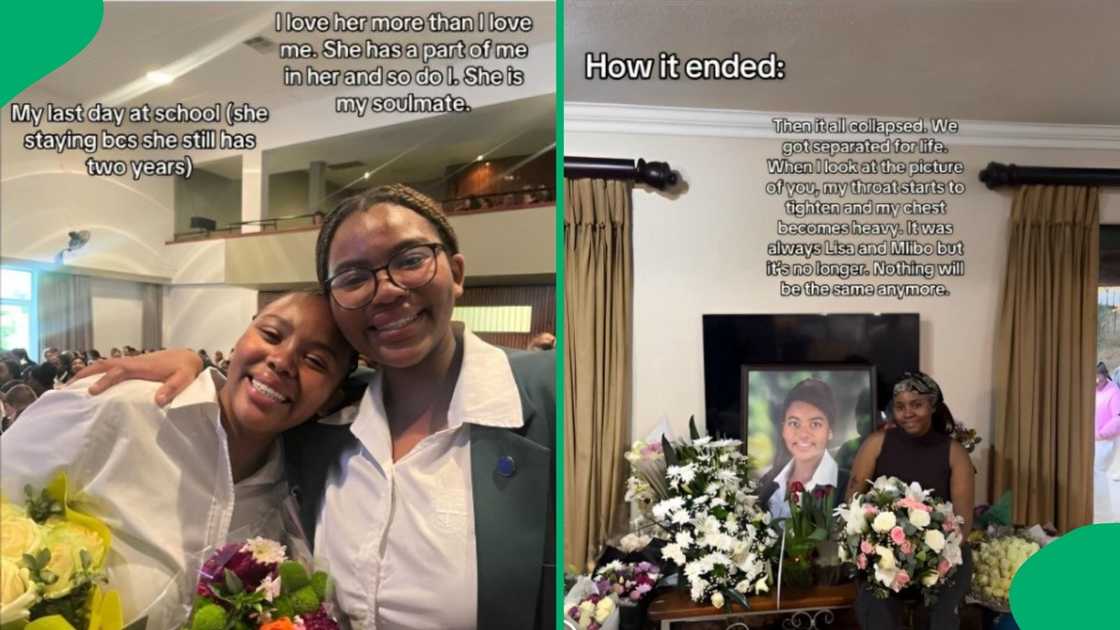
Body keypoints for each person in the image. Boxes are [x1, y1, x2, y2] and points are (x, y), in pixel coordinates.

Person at [76, 184, 556, 630]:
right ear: (336, 305)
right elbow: (257, 400)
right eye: (353, 277)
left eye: (410, 260)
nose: (386, 289)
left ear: (456, 273)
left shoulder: (546, 398)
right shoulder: (325, 422)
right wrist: (197, 367)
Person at [1, 291, 354, 623]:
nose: (282, 361)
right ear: (240, 338)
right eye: (272, 335)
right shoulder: (120, 407)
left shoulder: (294, 494)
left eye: (315, 361)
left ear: (330, 397)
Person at [845, 372, 975, 630]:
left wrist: (930, 558)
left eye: (916, 404)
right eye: (900, 406)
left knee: (940, 618)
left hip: (941, 556)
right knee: (877, 609)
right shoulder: (876, 444)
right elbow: (853, 503)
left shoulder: (955, 453)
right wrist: (880, 549)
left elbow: (964, 521)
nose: (908, 413)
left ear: (933, 405)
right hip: (881, 555)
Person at [757, 378, 849, 519]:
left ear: (830, 431)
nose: (803, 434)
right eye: (794, 423)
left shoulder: (846, 486)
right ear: (783, 429)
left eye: (815, 424)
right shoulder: (767, 482)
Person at [1095, 362, 1120, 481]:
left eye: (1099, 377)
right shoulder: (1117, 372)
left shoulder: (1114, 391)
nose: (1096, 381)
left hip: (1106, 440)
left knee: (1097, 472)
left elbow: (1118, 418)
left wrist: (1101, 434)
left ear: (1104, 375)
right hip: (1097, 438)